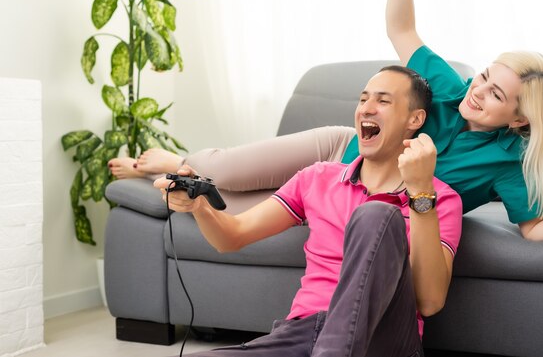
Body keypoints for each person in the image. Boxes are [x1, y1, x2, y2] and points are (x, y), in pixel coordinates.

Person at [110, 0, 543, 241]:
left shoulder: (508, 161)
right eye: (485, 76)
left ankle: (177, 168)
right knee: (220, 168)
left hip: (347, 191)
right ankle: (173, 158)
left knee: (223, 204)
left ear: (520, 119)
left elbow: (531, 229)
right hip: (337, 149)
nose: (477, 91)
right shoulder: (447, 85)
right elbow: (401, 29)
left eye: (496, 95)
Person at [155, 65, 463, 357]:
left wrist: (421, 192)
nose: (366, 108)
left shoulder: (440, 199)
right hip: (303, 333)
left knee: (376, 215)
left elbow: (430, 300)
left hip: (384, 338)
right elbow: (231, 237)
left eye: (383, 101)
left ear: (415, 119)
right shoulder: (317, 178)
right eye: (363, 99)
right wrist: (199, 207)